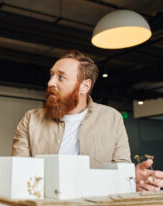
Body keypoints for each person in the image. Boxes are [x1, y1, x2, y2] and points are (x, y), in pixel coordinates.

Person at [12, 50, 163, 192]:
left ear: (84, 86)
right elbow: (20, 173)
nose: (50, 82)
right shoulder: (30, 119)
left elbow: (121, 170)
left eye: (61, 77)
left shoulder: (112, 118)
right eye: (51, 75)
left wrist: (130, 179)